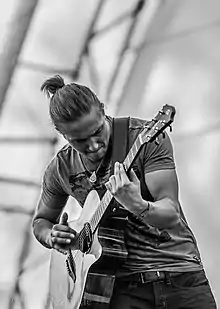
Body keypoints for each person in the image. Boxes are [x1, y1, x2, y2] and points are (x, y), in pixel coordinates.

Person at [32, 74, 217, 309]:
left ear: (102, 109)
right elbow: (41, 221)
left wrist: (138, 204)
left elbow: (170, 214)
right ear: (63, 135)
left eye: (97, 132)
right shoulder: (60, 168)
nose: (93, 145)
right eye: (80, 140)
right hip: (115, 290)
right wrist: (51, 236)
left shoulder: (144, 137)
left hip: (179, 275)